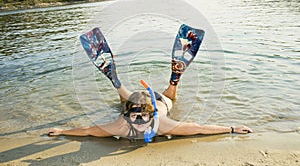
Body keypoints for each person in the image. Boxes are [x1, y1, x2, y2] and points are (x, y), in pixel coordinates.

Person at [48, 26, 252, 140]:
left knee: (170, 97)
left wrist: (232, 128)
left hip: (158, 101)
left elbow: (199, 128)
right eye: (135, 117)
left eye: (143, 116)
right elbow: (87, 131)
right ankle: (121, 86)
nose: (138, 121)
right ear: (126, 117)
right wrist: (61, 131)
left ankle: (173, 81)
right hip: (136, 100)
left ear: (151, 115)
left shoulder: (163, 124)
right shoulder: (120, 125)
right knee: (128, 100)